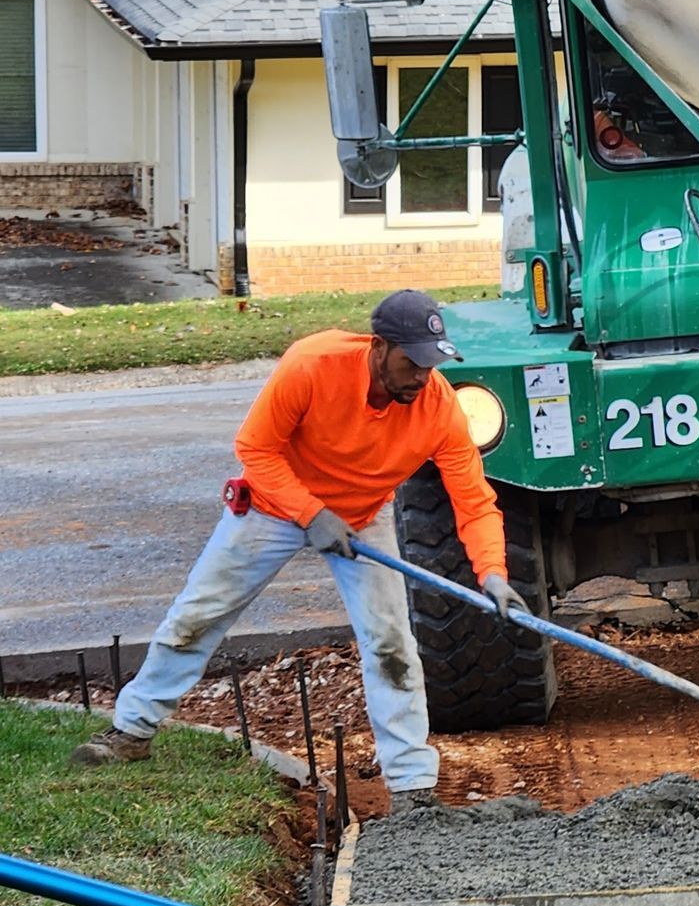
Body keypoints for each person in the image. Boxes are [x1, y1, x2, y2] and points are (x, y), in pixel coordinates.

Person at [73, 291, 521, 807]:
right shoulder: (313, 364)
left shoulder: (439, 407)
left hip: (359, 518)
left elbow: (474, 501)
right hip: (272, 505)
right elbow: (255, 449)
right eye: (412, 362)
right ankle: (131, 731)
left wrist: (493, 573)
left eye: (432, 362)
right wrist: (311, 513)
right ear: (378, 346)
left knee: (391, 644)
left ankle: (412, 785)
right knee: (199, 614)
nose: (422, 376)